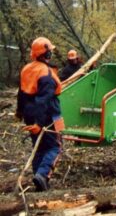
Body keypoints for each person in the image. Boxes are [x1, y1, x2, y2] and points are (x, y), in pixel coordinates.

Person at [16, 37, 64, 191]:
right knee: (55, 147)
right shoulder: (46, 74)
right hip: (47, 115)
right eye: (50, 51)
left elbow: (21, 93)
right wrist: (39, 123)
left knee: (39, 148)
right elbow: (43, 101)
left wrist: (20, 111)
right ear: (47, 53)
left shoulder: (27, 69)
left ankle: (38, 178)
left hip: (30, 114)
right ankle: (42, 175)